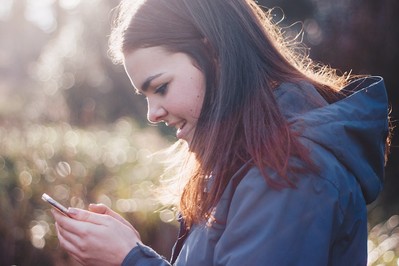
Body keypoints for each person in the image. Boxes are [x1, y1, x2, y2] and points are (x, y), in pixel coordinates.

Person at [51, 0, 390, 265]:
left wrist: (130, 258)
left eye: (161, 87)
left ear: (213, 53)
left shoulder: (290, 171)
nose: (153, 114)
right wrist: (129, 251)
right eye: (146, 96)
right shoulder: (249, 158)